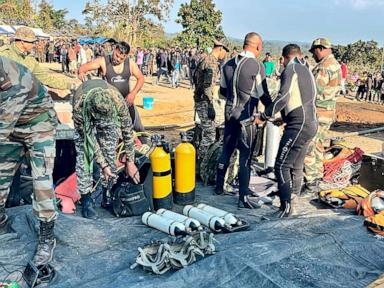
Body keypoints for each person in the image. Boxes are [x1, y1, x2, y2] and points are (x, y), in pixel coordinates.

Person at [0, 56, 58, 267]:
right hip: (10, 127)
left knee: (41, 181)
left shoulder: (15, 81)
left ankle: (46, 237)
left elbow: (2, 129)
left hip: (38, 127)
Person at [254, 44, 318, 217]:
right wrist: (285, 118)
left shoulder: (291, 70)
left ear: (283, 58)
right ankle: (294, 200)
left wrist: (264, 115)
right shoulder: (307, 70)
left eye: (281, 61)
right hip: (310, 122)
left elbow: (283, 98)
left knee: (281, 165)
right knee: (296, 165)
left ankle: (285, 207)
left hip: (299, 124)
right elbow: (305, 99)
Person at [215, 32, 271, 208]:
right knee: (246, 156)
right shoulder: (256, 65)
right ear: (257, 46)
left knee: (227, 149)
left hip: (229, 111)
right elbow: (263, 94)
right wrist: (271, 112)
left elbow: (222, 91)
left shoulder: (228, 64)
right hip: (246, 115)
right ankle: (243, 198)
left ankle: (218, 188)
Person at [73, 79, 140, 219]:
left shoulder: (118, 101)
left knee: (109, 149)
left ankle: (108, 194)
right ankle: (86, 199)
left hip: (110, 115)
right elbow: (89, 141)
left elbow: (127, 131)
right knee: (84, 156)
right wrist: (102, 165)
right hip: (86, 117)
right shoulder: (79, 107)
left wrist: (130, 161)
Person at [78, 41, 146, 141]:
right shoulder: (103, 61)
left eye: (121, 58)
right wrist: (81, 73)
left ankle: (142, 152)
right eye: (116, 55)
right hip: (110, 107)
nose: (117, 59)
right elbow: (83, 68)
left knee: (140, 130)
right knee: (114, 137)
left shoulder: (130, 64)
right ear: (114, 49)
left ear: (126, 56)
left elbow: (141, 78)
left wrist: (133, 93)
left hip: (127, 103)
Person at [303, 38, 341, 195]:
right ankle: (317, 177)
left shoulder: (324, 67)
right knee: (319, 146)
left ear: (321, 48)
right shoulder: (336, 65)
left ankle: (311, 181)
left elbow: (314, 92)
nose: (313, 55)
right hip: (328, 112)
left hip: (319, 112)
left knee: (310, 146)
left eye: (314, 52)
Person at [0, 27, 72, 90]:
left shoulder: (29, 59)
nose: (34, 45)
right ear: (22, 42)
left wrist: (69, 85)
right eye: (32, 42)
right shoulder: (4, 54)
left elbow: (44, 78)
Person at [194, 40, 228, 168]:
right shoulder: (212, 63)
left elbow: (195, 79)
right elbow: (208, 86)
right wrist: (209, 106)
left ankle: (199, 163)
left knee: (205, 132)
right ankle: (201, 165)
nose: (224, 55)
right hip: (204, 101)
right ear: (220, 49)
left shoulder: (204, 59)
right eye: (224, 51)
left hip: (199, 99)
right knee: (210, 135)